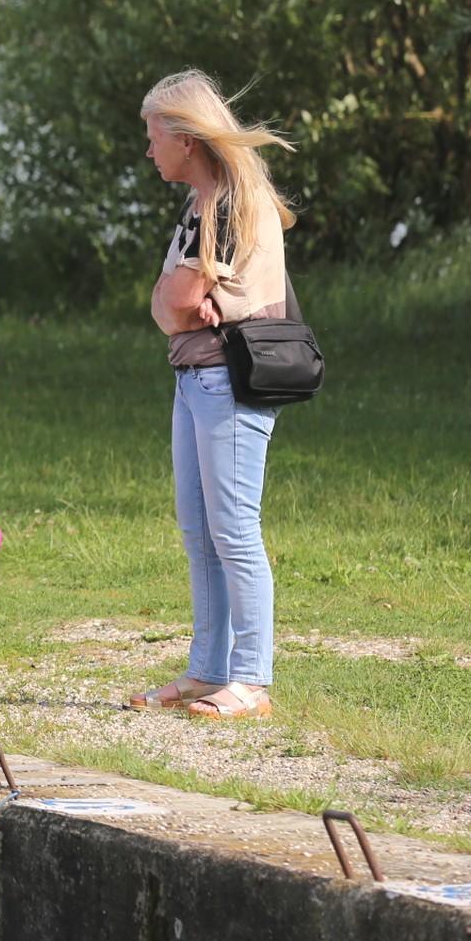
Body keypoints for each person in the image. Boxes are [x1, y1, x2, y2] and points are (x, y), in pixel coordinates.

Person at [126, 70, 295, 720]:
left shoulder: (227, 204)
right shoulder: (202, 205)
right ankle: (208, 669)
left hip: (227, 378)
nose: (149, 150)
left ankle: (251, 678)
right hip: (194, 375)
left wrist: (175, 301)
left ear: (185, 139)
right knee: (201, 529)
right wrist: (174, 302)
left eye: (153, 135)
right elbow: (172, 307)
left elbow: (180, 299)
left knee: (232, 526)